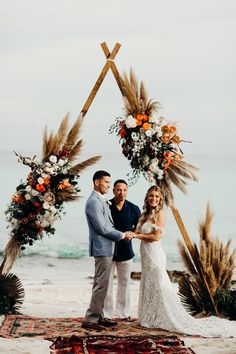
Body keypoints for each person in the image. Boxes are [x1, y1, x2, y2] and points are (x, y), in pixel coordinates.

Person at [133, 185, 236, 337]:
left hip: (155, 254)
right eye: (151, 196)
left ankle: (163, 316)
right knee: (148, 283)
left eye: (156, 196)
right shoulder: (144, 214)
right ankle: (148, 316)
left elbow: (156, 237)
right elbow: (136, 230)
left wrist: (137, 236)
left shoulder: (160, 214)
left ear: (160, 199)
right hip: (145, 255)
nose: (153, 198)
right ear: (147, 197)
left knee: (158, 283)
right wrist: (129, 233)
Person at [81, 170, 133, 331]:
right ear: (97, 182)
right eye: (106, 182)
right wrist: (122, 235)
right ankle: (91, 318)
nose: (109, 186)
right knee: (100, 284)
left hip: (107, 247)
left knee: (103, 283)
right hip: (101, 248)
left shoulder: (101, 200)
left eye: (109, 183)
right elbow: (102, 228)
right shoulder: (94, 202)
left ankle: (100, 316)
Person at [103, 179, 141, 321]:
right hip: (108, 250)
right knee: (106, 283)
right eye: (118, 190)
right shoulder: (106, 206)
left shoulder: (133, 208)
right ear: (113, 191)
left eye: (124, 190)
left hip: (126, 251)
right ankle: (106, 314)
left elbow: (140, 225)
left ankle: (123, 313)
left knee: (124, 283)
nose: (121, 193)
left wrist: (132, 233)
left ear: (127, 191)